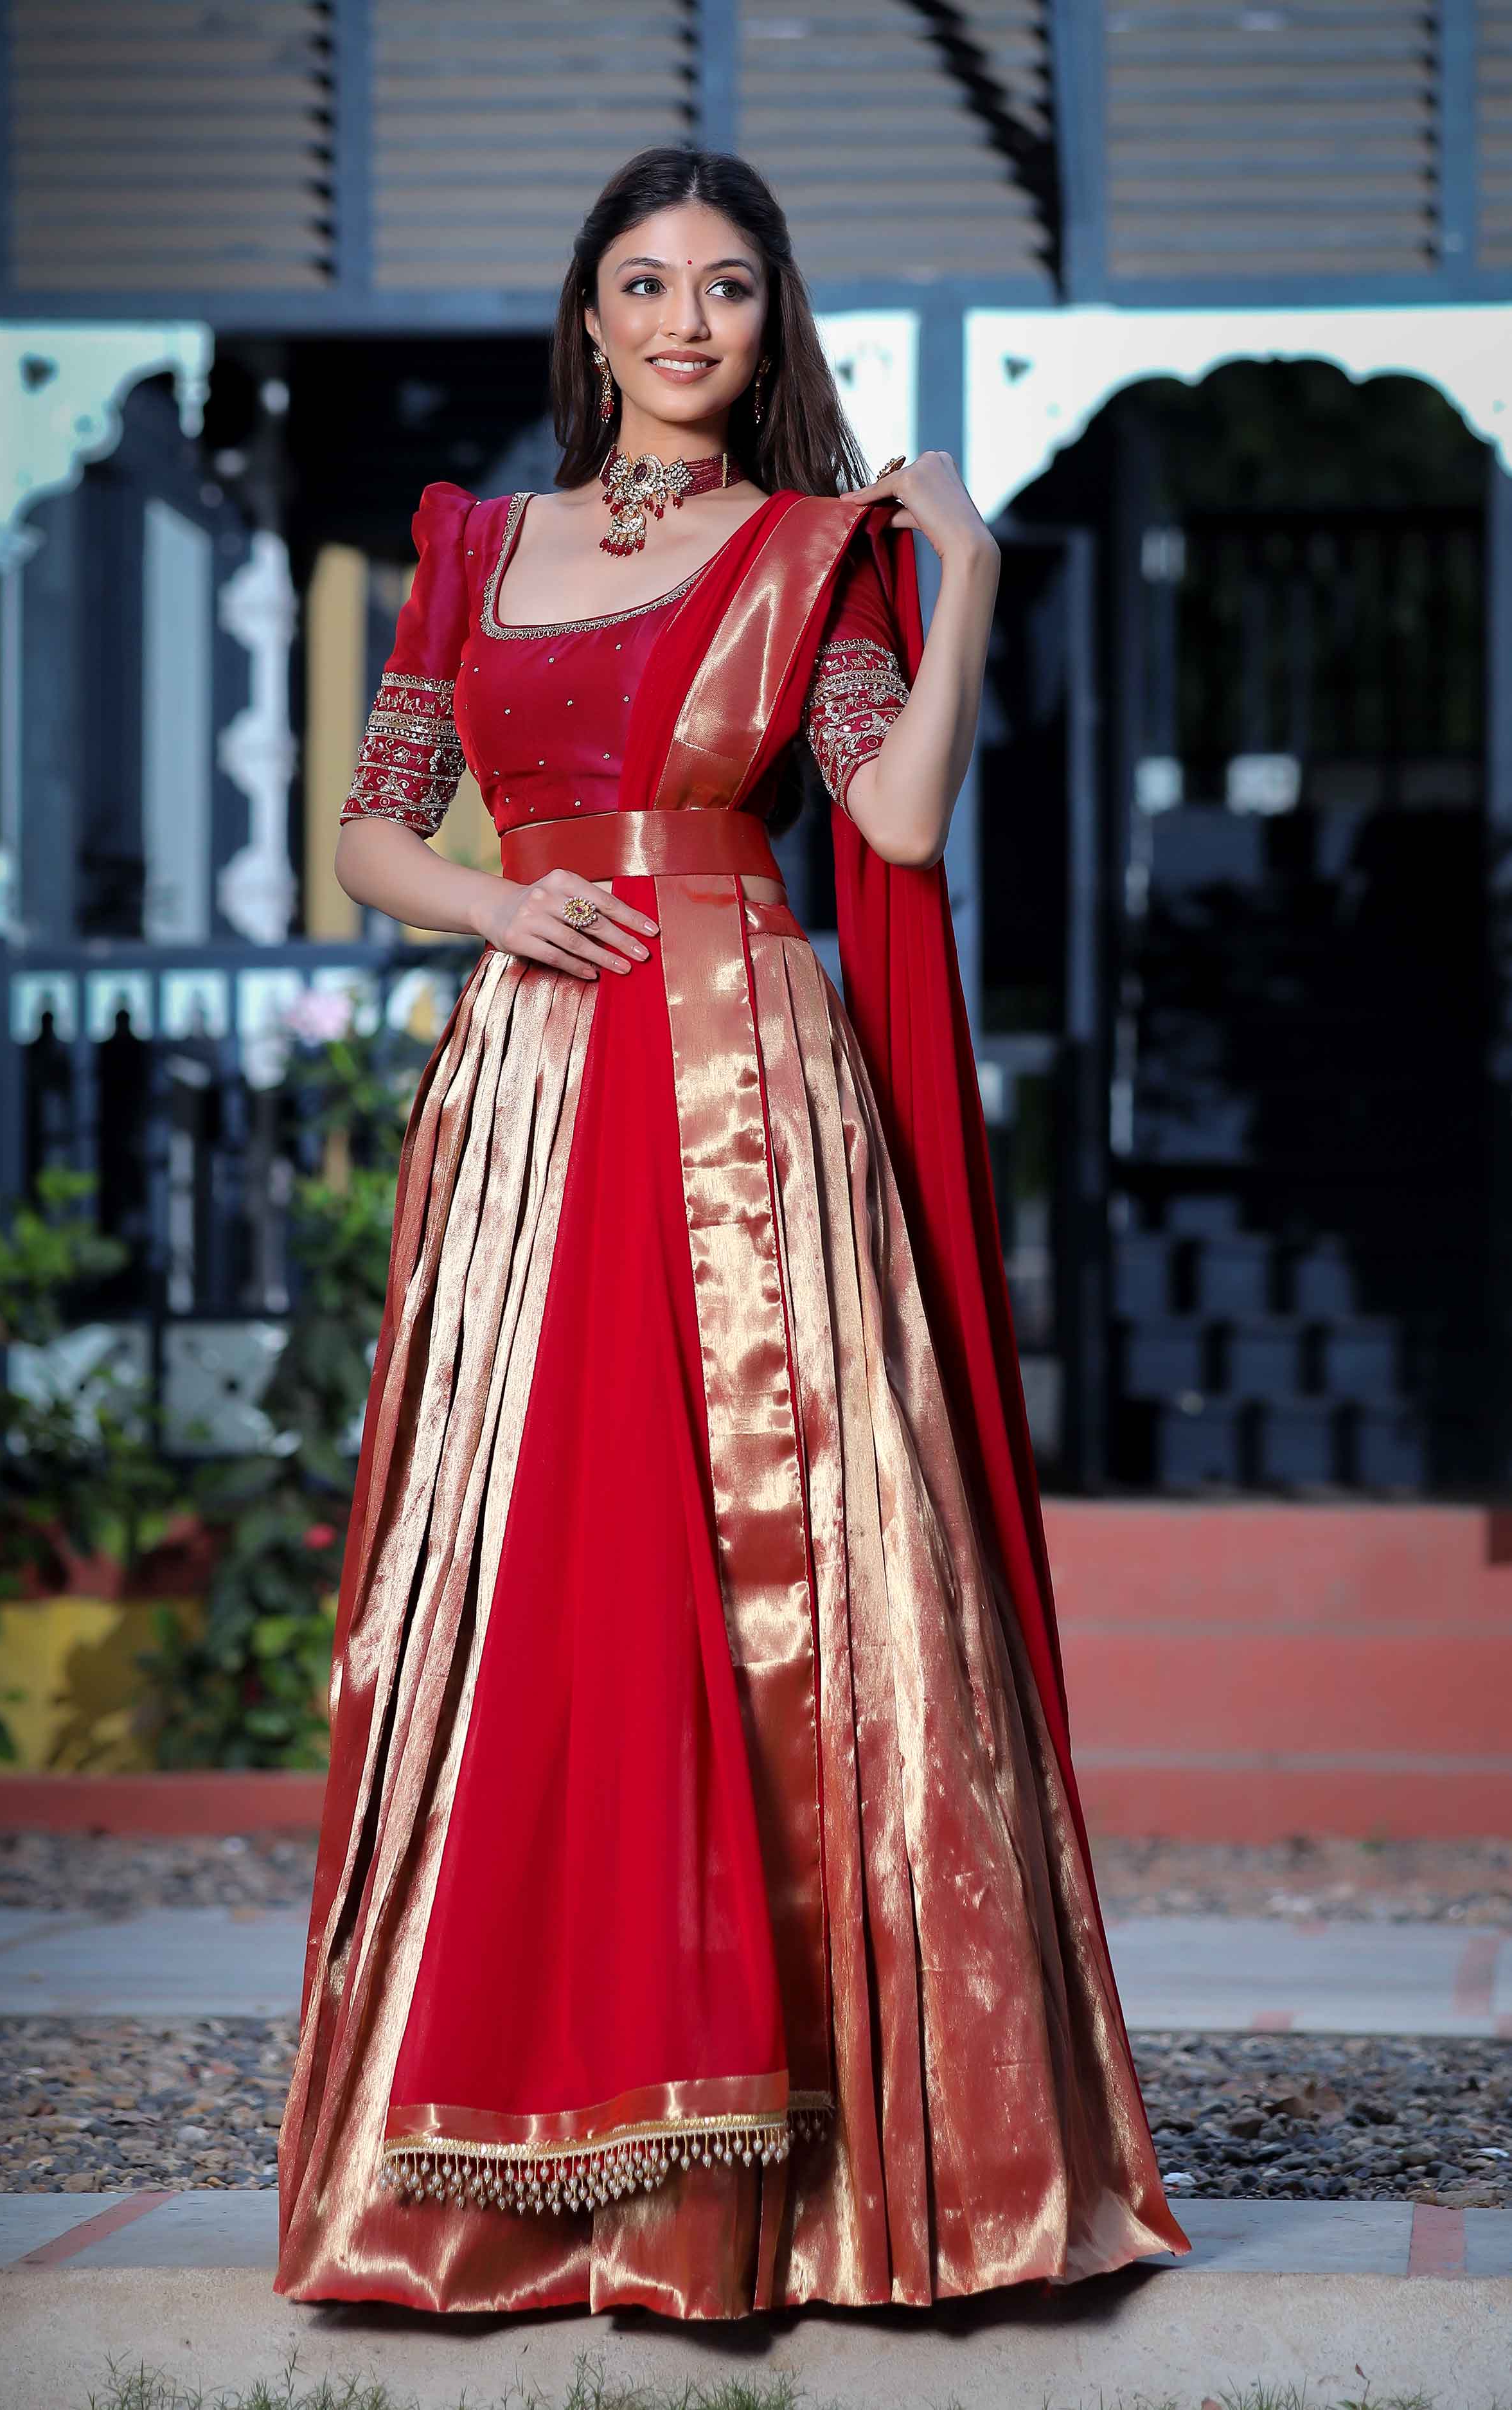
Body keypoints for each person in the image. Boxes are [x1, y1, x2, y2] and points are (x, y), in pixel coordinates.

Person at [274, 142, 1189, 2321]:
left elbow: (887, 817)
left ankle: (825, 2171)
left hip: (746, 1105)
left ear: (771, 327)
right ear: (585, 317)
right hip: (525, 1096)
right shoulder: (470, 552)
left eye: (729, 289)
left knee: (786, 1574)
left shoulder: (819, 553)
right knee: (532, 1582)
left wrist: (961, 565)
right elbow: (371, 832)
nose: (686, 322)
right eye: (644, 283)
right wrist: (501, 901)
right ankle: (509, 2155)